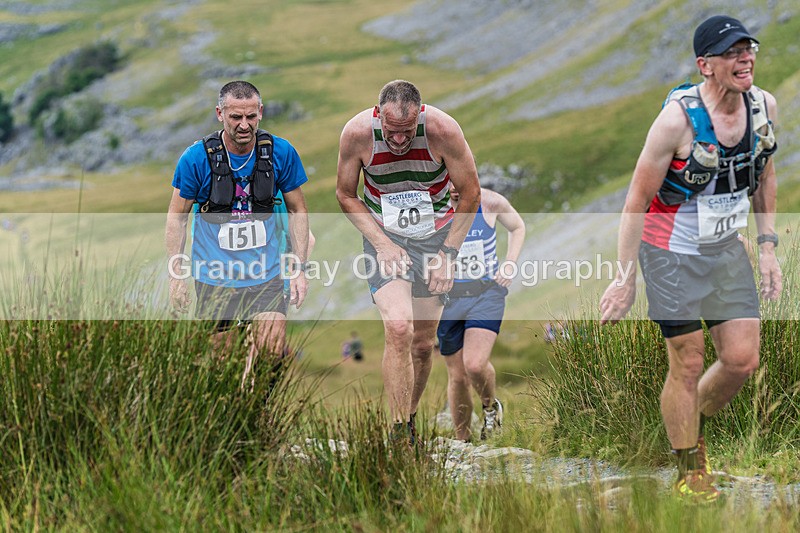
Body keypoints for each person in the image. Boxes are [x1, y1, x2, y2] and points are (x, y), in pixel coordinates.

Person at [599, 16, 781, 502]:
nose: (745, 58)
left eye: (749, 49)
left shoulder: (763, 108)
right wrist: (624, 279)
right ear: (706, 65)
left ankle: (684, 422)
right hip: (669, 253)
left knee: (742, 361)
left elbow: (762, 174)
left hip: (725, 251)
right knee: (687, 360)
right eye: (731, 52)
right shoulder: (676, 121)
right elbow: (636, 199)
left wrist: (767, 247)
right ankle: (689, 467)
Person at [336, 79, 481, 443]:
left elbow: (471, 193)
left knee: (421, 342)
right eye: (391, 131)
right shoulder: (356, 134)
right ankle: (399, 430)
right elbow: (344, 194)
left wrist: (448, 254)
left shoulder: (442, 131)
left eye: (407, 131)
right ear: (377, 115)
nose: (399, 141)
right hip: (384, 237)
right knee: (398, 328)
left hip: (435, 239)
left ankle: (410, 415)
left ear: (420, 115)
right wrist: (382, 244)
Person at [166, 80, 311, 392]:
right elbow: (176, 217)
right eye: (235, 117)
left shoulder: (280, 153)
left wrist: (299, 268)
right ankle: (230, 423)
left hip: (266, 274)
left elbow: (299, 210)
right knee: (224, 363)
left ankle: (258, 417)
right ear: (220, 114)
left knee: (272, 349)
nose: (244, 125)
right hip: (214, 276)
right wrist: (176, 275)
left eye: (251, 117)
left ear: (260, 112)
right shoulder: (195, 159)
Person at [437, 184, 525, 442]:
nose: (453, 189)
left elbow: (518, 226)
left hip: (486, 294)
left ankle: (490, 408)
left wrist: (509, 263)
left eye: (459, 182)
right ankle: (462, 440)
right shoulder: (434, 208)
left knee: (474, 365)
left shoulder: (490, 203)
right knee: (457, 376)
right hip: (448, 299)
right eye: (448, 182)